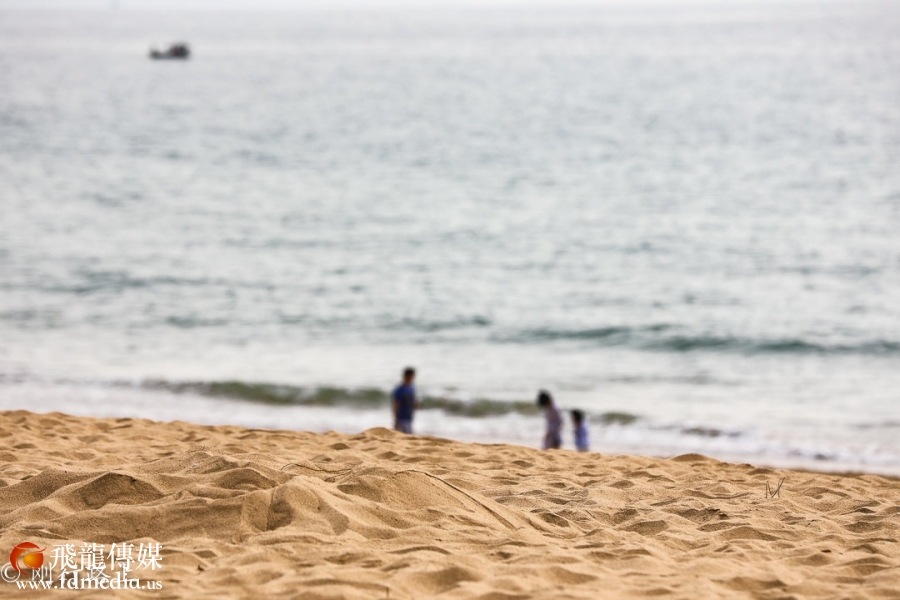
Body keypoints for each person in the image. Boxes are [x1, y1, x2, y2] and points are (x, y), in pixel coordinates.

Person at [392, 367, 419, 434]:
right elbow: (396, 405)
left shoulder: (412, 388)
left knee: (409, 433)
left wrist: (417, 404)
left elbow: (412, 400)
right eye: (411, 377)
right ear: (406, 376)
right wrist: (396, 420)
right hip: (402, 417)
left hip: (409, 416)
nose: (412, 379)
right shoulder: (399, 389)